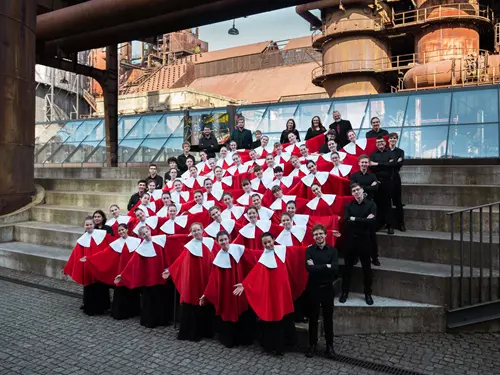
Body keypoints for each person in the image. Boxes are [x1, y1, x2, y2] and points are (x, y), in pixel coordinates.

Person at [233, 232, 308, 355]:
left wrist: (310, 248)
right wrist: (244, 284)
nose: (268, 244)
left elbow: (298, 252)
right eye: (265, 243)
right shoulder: (263, 257)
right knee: (270, 320)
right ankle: (270, 346)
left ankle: (282, 346)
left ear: (274, 240)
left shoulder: (283, 250)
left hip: (282, 292)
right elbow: (255, 274)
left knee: (283, 319)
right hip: (270, 294)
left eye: (269, 241)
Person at [201, 231, 258, 348]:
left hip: (240, 288)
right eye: (221, 240)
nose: (224, 242)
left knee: (242, 311)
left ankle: (243, 339)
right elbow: (213, 279)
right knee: (228, 312)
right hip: (226, 291)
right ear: (218, 242)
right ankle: (230, 340)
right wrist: (205, 294)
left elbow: (253, 256)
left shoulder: (238, 249)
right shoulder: (218, 258)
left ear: (229, 239)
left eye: (225, 239)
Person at [163, 223, 217, 341]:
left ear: (202, 230)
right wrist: (170, 271)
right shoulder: (189, 247)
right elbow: (180, 261)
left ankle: (207, 331)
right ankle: (193, 332)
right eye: (194, 231)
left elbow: (219, 255)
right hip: (194, 279)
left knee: (206, 303)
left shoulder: (211, 242)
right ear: (191, 233)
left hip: (207, 277)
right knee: (194, 302)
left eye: (198, 230)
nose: (197, 232)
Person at [82, 223, 141, 320]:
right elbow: (104, 254)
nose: (121, 232)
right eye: (119, 231)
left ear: (127, 230)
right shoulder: (116, 243)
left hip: (131, 270)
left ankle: (133, 311)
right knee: (121, 292)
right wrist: (89, 259)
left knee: (132, 291)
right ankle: (121, 313)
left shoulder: (136, 241)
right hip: (120, 271)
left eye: (123, 230)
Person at [115, 227, 170, 328]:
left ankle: (162, 320)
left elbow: (175, 239)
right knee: (149, 300)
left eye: (147, 232)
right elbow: (132, 263)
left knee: (160, 298)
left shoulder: (159, 239)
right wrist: (122, 274)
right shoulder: (141, 248)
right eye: (143, 234)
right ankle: (149, 321)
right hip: (149, 278)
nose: (146, 234)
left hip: (160, 275)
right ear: (141, 236)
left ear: (150, 231)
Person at [63, 216, 111, 316]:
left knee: (101, 288)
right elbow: (75, 255)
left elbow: (109, 247)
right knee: (91, 289)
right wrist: (67, 268)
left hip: (99, 267)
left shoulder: (102, 235)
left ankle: (103, 308)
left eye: (90, 224)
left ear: (94, 225)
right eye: (87, 225)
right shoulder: (82, 240)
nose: (89, 226)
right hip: (88, 269)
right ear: (84, 226)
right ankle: (91, 309)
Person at [305, 224, 339, 358]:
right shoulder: (309, 250)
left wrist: (318, 266)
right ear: (313, 237)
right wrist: (326, 266)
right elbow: (309, 269)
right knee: (312, 318)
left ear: (325, 235)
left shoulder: (332, 251)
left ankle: (329, 346)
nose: (318, 236)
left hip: (327, 288)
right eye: (315, 234)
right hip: (313, 288)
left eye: (320, 234)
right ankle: (312, 344)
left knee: (328, 318)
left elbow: (335, 268)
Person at [340, 183, 376, 306]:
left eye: (358, 190)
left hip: (365, 241)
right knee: (347, 268)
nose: (356, 192)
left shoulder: (371, 205)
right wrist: (364, 220)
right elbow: (347, 222)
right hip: (351, 241)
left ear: (362, 190)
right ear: (352, 194)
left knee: (367, 269)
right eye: (354, 191)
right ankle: (344, 292)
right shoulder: (348, 206)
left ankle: (368, 293)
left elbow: (372, 222)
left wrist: (355, 219)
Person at [370, 136, 395, 235]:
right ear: (376, 144)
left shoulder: (390, 153)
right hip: (377, 182)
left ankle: (390, 225)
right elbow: (372, 167)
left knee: (388, 204)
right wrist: (384, 164)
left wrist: (377, 164)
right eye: (378, 142)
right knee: (378, 204)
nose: (380, 143)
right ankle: (379, 224)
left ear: (385, 143)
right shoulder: (373, 154)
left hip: (388, 182)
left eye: (381, 141)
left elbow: (392, 165)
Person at [387, 133, 405, 231]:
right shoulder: (385, 151)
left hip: (396, 178)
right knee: (388, 203)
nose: (393, 140)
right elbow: (385, 165)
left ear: (396, 140)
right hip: (386, 179)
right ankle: (389, 225)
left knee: (398, 202)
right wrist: (395, 162)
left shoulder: (400, 151)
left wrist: (390, 163)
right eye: (391, 138)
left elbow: (400, 164)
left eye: (394, 138)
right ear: (388, 140)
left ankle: (401, 223)